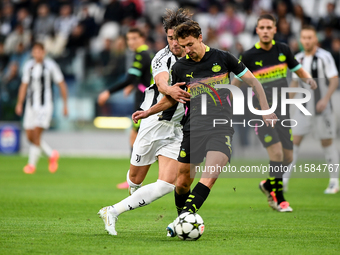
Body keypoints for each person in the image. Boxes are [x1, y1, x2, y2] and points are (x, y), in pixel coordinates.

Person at [132, 19, 277, 237]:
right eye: (183, 46)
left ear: (200, 38)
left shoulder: (223, 58)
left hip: (221, 127)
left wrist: (265, 110)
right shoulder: (180, 67)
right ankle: (183, 218)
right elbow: (173, 98)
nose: (187, 50)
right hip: (193, 129)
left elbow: (254, 82)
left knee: (210, 174)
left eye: (190, 44)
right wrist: (148, 112)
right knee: (181, 184)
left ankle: (182, 220)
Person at [97, 9, 192, 236]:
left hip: (176, 128)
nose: (173, 42)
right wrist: (171, 91)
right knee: (135, 180)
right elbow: (161, 84)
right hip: (153, 122)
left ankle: (112, 211)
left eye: (177, 37)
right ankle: (127, 199)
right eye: (169, 38)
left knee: (168, 183)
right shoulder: (161, 57)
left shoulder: (194, 56)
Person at [231, 14, 317, 212]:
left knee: (288, 157)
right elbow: (236, 83)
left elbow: (298, 69)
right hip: (260, 113)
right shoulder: (249, 56)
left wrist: (309, 80)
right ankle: (279, 198)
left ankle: (269, 184)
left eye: (269, 27)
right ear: (257, 30)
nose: (266, 31)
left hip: (283, 112)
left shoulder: (283, 50)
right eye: (262, 27)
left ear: (275, 30)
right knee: (276, 153)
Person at [283, 25, 339, 194]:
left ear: (315, 39)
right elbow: (294, 83)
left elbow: (334, 79)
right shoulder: (297, 58)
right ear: (300, 40)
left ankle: (334, 182)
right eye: (304, 38)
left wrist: (325, 98)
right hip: (303, 109)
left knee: (327, 143)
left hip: (323, 109)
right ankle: (283, 182)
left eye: (310, 38)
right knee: (294, 142)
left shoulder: (324, 57)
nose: (307, 41)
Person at [97, 27, 154, 189]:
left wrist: (108, 92)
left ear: (142, 38)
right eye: (129, 39)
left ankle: (133, 179)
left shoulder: (141, 55)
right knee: (137, 138)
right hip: (145, 99)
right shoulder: (148, 53)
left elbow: (130, 77)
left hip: (143, 102)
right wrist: (133, 85)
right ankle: (134, 178)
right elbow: (144, 77)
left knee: (135, 138)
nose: (131, 42)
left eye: (135, 38)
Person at [15, 42, 68, 174]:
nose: (37, 54)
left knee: (37, 134)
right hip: (30, 106)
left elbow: (61, 84)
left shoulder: (51, 66)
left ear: (44, 52)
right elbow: (24, 85)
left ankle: (31, 165)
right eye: (35, 51)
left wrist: (65, 104)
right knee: (29, 136)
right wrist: (19, 103)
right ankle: (51, 154)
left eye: (40, 51)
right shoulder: (28, 66)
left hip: (45, 106)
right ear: (33, 53)